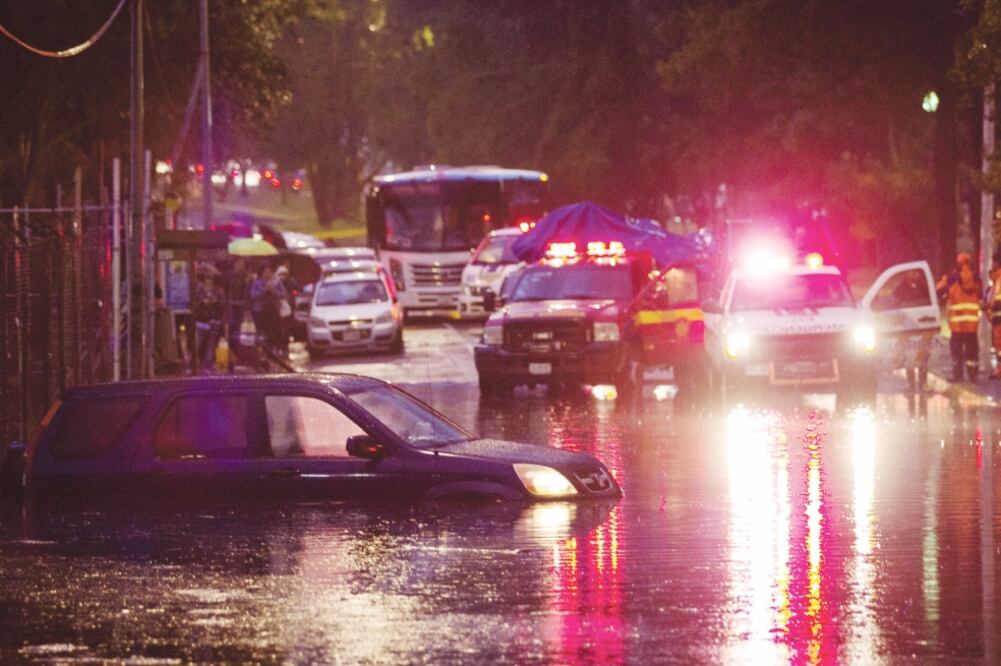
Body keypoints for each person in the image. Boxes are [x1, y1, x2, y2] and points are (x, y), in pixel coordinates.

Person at [937, 253, 982, 382]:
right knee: (972, 351)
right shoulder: (976, 278)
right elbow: (981, 294)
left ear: (958, 264)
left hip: (957, 323)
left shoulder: (952, 278)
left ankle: (958, 376)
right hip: (972, 323)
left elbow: (938, 290)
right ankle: (973, 376)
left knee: (956, 350)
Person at [193, 273, 225, 372]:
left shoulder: (218, 292)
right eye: (207, 284)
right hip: (202, 321)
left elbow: (222, 305)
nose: (208, 286)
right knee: (200, 342)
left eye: (210, 284)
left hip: (214, 320)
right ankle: (199, 361)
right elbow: (195, 305)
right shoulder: (199, 292)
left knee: (211, 343)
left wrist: (215, 302)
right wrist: (202, 302)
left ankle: (208, 364)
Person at [225, 258, 252, 344]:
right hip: (232, 301)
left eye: (242, 263)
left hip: (241, 302)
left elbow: (248, 290)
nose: (241, 265)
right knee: (232, 323)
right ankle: (231, 342)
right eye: (239, 263)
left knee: (239, 324)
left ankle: (237, 342)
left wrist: (248, 282)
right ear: (235, 264)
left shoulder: (246, 275)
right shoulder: (230, 274)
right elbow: (227, 286)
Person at [990, 255, 1001, 379]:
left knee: (999, 346)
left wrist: (990, 305)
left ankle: (999, 370)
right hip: (997, 318)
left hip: (999, 319)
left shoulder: (999, 278)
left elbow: (997, 301)